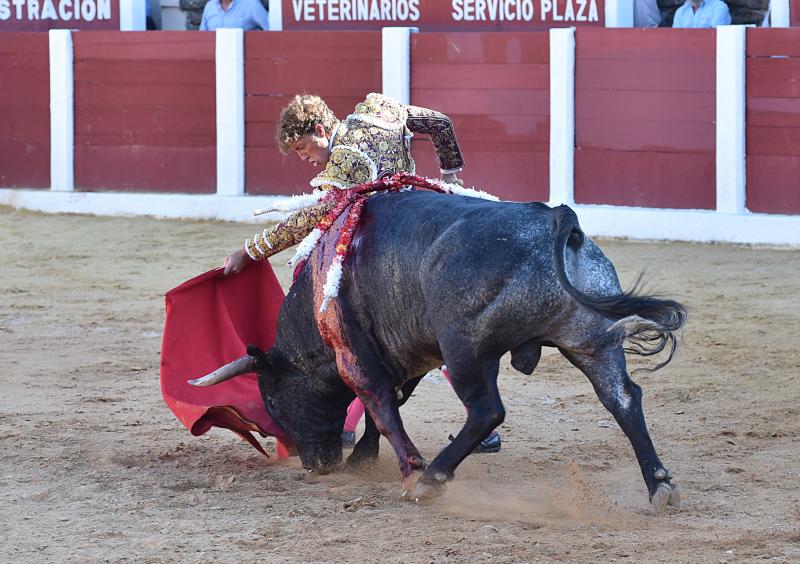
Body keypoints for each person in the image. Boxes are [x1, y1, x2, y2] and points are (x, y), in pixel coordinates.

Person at [224, 92, 501, 453]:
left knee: (347, 327)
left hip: (383, 249)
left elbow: (309, 218)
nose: (306, 159)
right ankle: (483, 425)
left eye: (304, 147)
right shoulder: (378, 110)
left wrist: (251, 250)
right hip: (422, 219)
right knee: (439, 330)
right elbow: (440, 123)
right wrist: (450, 173)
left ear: (322, 130)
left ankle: (347, 425)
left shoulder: (344, 162)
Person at [199, 0, 269, 31]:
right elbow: (201, 37)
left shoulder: (251, 3)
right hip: (213, 58)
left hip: (243, 58)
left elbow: (271, 29)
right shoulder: (210, 6)